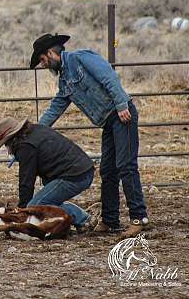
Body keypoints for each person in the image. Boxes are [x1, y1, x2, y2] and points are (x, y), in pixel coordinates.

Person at [29, 33, 149, 237]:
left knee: (126, 166)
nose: (43, 65)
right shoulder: (65, 80)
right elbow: (55, 108)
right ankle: (110, 221)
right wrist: (33, 132)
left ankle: (139, 218)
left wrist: (121, 104)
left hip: (122, 115)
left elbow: (108, 76)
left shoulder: (81, 58)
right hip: (109, 122)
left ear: (50, 53)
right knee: (108, 171)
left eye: (42, 60)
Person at [0, 116, 99, 233]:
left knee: (36, 206)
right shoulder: (36, 130)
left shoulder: (25, 146)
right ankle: (77, 219)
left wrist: (23, 210)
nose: (7, 147)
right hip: (81, 170)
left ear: (12, 139)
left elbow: (26, 181)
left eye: (6, 143)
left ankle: (83, 220)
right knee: (47, 201)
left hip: (74, 175)